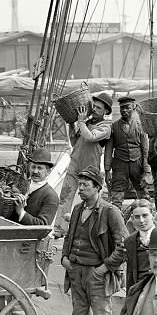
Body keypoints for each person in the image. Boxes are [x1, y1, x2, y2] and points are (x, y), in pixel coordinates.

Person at [61, 167, 127, 315]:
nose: (80, 189)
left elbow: (124, 246)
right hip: (76, 274)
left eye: (85, 186)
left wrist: (105, 267)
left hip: (97, 276)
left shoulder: (110, 212)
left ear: (98, 188)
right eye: (79, 185)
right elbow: (68, 236)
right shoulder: (78, 210)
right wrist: (65, 257)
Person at [53, 93, 113, 237]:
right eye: (94, 106)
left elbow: (90, 137)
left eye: (99, 108)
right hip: (74, 165)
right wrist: (72, 125)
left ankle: (87, 230)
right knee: (65, 198)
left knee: (88, 199)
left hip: (89, 170)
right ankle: (60, 230)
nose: (95, 109)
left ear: (106, 111)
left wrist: (80, 121)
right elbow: (75, 142)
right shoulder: (86, 122)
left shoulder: (106, 127)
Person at [104, 95, 152, 206]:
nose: (124, 110)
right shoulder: (114, 127)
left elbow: (146, 150)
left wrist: (147, 171)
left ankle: (148, 217)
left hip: (137, 164)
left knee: (144, 195)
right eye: (122, 108)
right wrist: (107, 171)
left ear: (133, 107)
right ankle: (116, 221)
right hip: (119, 165)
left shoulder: (140, 126)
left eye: (127, 107)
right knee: (116, 198)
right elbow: (108, 150)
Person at [9, 148, 60, 226]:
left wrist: (21, 212)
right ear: (29, 168)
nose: (35, 171)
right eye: (33, 167)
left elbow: (43, 225)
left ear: (48, 172)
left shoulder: (51, 196)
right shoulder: (21, 185)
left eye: (40, 168)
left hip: (29, 237)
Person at [123, 199, 156, 290]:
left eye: (145, 216)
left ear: (152, 215)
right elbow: (130, 274)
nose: (141, 220)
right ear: (132, 219)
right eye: (137, 217)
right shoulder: (130, 241)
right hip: (140, 288)